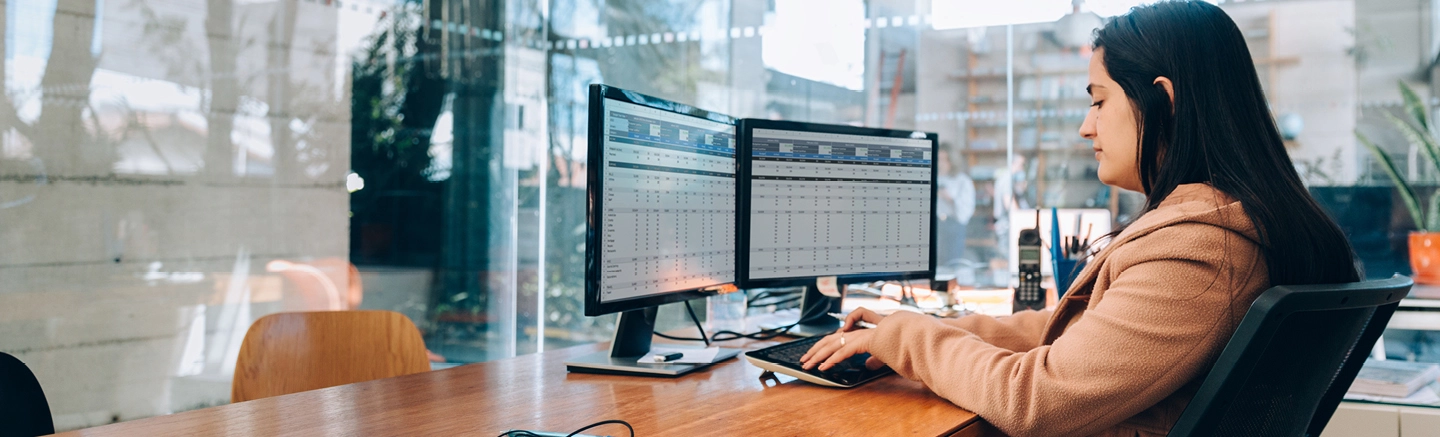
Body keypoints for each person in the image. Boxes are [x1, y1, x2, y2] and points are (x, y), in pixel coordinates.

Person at [800, 2, 1360, 436]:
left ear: (1163, 103)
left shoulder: (1202, 253)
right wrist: (914, 332)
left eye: (1099, 100)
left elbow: (1035, 402)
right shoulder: (1223, 227)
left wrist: (915, 340)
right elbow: (1067, 335)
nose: (1085, 127)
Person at [936, 148, 976, 269]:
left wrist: (950, 198)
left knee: (952, 263)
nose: (940, 163)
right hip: (936, 224)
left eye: (944, 159)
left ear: (951, 161)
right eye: (938, 159)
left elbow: (967, 207)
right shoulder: (933, 178)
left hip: (953, 225)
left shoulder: (962, 180)